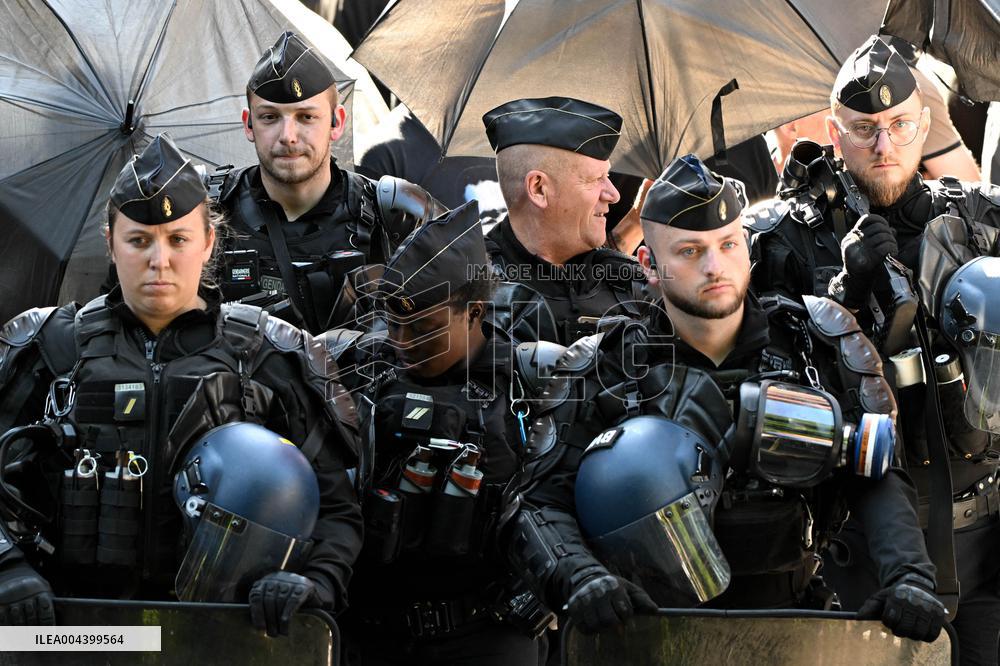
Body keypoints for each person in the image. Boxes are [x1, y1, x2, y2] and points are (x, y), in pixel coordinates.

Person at [505, 154, 945, 643]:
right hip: (648, 628)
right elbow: (538, 500)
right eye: (690, 252)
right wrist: (580, 575)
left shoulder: (813, 343)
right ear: (650, 265)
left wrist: (909, 577)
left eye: (728, 244)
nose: (715, 267)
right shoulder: (605, 364)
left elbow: (877, 472)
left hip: (792, 623)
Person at [0, 135, 362, 636]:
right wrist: (8, 568)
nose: (159, 260)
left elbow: (337, 506)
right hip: (81, 632)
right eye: (139, 239)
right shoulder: (49, 350)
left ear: (210, 242)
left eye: (178, 239)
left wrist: (313, 582)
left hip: (220, 633)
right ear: (110, 242)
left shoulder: (267, 355)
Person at [747, 35, 1000, 664]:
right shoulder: (779, 240)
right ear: (836, 134)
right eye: (864, 130)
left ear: (923, 127)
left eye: (898, 125)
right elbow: (766, 386)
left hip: (987, 534)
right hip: (866, 546)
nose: (883, 145)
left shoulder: (976, 220)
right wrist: (845, 296)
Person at [338, 202, 558, 665]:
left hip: (488, 633)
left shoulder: (529, 384)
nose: (402, 342)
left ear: (474, 312)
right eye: (394, 324)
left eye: (422, 328)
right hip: (374, 633)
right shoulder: (361, 369)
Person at [212, 31, 442, 333]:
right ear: (248, 124)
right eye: (270, 117)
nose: (288, 136)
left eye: (306, 117)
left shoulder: (397, 214)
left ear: (337, 122)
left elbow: (477, 309)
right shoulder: (209, 212)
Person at [482, 97, 648, 346]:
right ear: (538, 189)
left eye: (608, 175)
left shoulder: (633, 283)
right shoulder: (466, 295)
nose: (614, 195)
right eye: (595, 179)